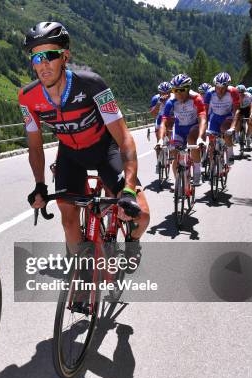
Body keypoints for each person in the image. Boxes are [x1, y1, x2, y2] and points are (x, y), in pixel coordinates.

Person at [18, 21, 150, 260]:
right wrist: (40, 185)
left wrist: (129, 189)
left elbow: (124, 138)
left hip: (105, 149)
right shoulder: (27, 98)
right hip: (70, 155)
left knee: (142, 216)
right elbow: (35, 147)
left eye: (50, 55)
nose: (43, 64)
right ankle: (82, 279)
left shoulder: (92, 84)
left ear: (65, 56)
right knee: (68, 220)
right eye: (37, 58)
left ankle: (132, 242)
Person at [158, 74, 207, 186]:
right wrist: (160, 140)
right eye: (175, 90)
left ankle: (197, 171)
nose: (178, 93)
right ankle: (179, 184)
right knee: (175, 156)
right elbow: (163, 121)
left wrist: (200, 137)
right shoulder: (171, 101)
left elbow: (203, 118)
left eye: (182, 90)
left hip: (193, 127)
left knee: (191, 140)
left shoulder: (196, 98)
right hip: (179, 129)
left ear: (188, 89)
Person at [203, 72, 239, 166]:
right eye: (218, 87)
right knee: (211, 141)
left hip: (227, 116)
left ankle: (230, 153)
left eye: (223, 88)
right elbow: (205, 112)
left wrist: (233, 127)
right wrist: (204, 127)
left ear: (228, 86)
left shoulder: (233, 92)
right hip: (215, 117)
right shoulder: (209, 93)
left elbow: (236, 111)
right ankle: (212, 167)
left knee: (225, 130)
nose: (220, 90)